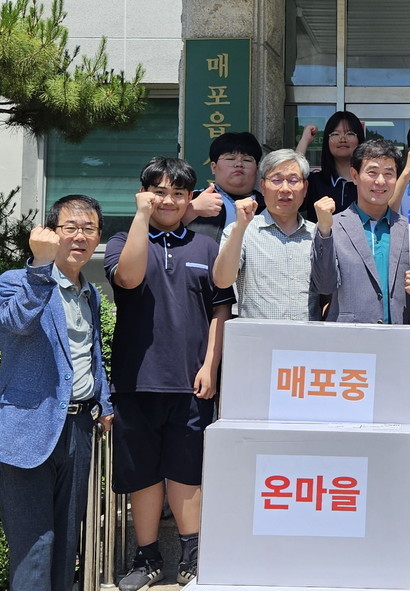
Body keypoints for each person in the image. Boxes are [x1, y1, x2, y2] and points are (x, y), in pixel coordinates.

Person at [105, 157, 235, 590]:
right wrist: (141, 217)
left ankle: (192, 556)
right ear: (143, 194)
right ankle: (147, 558)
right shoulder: (122, 240)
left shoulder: (205, 247)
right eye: (159, 192)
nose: (168, 200)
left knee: (186, 471)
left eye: (178, 194)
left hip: (190, 382)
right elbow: (128, 278)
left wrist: (210, 365)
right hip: (136, 379)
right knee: (143, 473)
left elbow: (220, 311)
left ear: (189, 198)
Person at [0, 195, 114, 591]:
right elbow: (17, 322)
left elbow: (89, 352)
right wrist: (39, 265)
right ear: (50, 233)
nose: (80, 236)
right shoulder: (15, 281)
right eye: (70, 227)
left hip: (79, 429)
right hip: (25, 428)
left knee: (67, 545)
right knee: (33, 547)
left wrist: (104, 401)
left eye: (89, 229)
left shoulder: (89, 292)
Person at [312, 139, 410, 324]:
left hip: (401, 333)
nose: (380, 181)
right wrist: (324, 231)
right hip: (351, 336)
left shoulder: (409, 230)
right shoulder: (332, 226)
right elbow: (324, 286)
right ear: (354, 176)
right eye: (372, 172)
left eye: (388, 173)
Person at [213, 149, 320, 320]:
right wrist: (240, 228)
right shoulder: (242, 231)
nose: (285, 189)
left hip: (307, 335)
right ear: (262, 186)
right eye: (276, 180)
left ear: (305, 187)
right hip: (257, 335)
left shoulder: (317, 234)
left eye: (293, 180)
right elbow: (222, 280)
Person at [184, 131, 264, 243]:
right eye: (230, 159)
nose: (239, 164)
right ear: (213, 167)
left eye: (247, 160)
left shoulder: (270, 206)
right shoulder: (191, 201)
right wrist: (191, 210)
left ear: (257, 169)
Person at [295, 111, 364, 221]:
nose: (342, 139)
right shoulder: (315, 182)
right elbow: (293, 176)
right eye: (335, 134)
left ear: (359, 140)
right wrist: (305, 139)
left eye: (350, 133)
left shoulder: (367, 183)